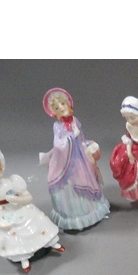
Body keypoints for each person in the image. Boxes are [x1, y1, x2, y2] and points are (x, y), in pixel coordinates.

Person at [0, 139, 64, 273]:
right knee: (13, 233)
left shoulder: (11, 182)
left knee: (37, 219)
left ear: (0, 167)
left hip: (18, 207)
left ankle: (51, 242)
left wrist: (17, 200)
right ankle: (23, 257)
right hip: (1, 214)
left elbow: (28, 198)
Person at [40, 87, 110, 231]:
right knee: (73, 183)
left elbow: (81, 137)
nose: (61, 108)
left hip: (81, 157)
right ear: (54, 112)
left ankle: (92, 211)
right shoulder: (57, 126)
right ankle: (75, 218)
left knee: (88, 177)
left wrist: (87, 144)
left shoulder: (75, 121)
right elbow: (58, 144)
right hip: (68, 162)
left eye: (63, 104)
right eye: (57, 107)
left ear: (69, 105)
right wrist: (72, 136)